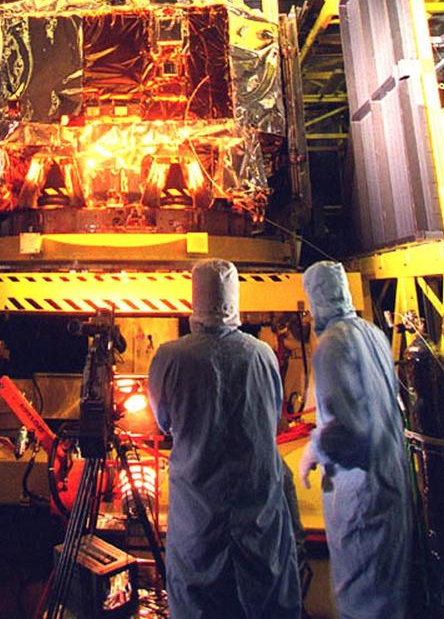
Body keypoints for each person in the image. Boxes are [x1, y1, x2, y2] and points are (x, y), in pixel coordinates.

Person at [148, 258, 301, 619]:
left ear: (194, 300)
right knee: (264, 599)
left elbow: (163, 421)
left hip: (198, 510)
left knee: (199, 601)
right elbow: (272, 415)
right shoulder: (262, 354)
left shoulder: (172, 357)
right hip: (258, 507)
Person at [299, 261, 412, 619]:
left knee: (362, 598)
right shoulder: (373, 333)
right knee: (390, 593)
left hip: (361, 495)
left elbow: (347, 431)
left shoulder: (331, 345)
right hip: (391, 481)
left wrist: (315, 448)